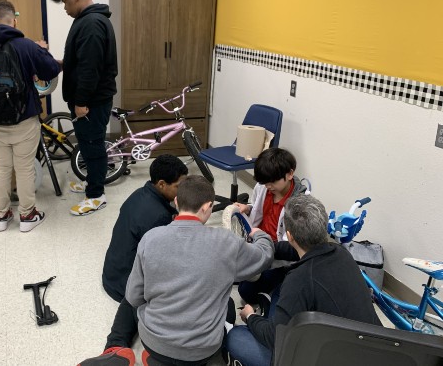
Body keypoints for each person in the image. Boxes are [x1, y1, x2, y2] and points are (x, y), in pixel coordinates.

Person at [125, 175, 274, 366]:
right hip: (201, 351)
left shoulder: (150, 238)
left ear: (177, 202)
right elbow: (264, 257)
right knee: (227, 305)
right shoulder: (226, 242)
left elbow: (133, 297)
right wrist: (261, 236)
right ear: (207, 206)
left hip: (154, 342)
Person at [225, 194, 382, 366]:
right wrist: (265, 246)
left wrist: (251, 317)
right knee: (281, 290)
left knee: (236, 337)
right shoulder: (341, 253)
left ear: (290, 236)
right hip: (373, 348)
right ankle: (271, 316)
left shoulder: (300, 279)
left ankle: (264, 318)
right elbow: (293, 250)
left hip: (330, 358)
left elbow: (274, 338)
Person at [78, 155, 188, 366]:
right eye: (178, 186)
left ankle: (115, 349)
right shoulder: (158, 217)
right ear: (161, 184)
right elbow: (161, 264)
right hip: (125, 282)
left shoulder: (140, 194)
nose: (182, 192)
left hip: (113, 271)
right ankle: (149, 349)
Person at [0, 0, 61, 233]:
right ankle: (28, 216)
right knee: (25, 167)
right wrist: (41, 50)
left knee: (1, 166)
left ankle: (1, 216)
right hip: (23, 119)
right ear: (14, 20)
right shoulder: (26, 46)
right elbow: (50, 69)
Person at [48, 0, 118, 216]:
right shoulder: (88, 20)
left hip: (91, 101)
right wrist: (62, 64)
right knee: (89, 145)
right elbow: (83, 60)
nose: (65, 9)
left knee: (92, 145)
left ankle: (96, 196)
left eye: (66, 2)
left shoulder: (91, 24)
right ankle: (92, 184)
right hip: (91, 99)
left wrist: (80, 102)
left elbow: (90, 69)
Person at [229, 147, 308, 314]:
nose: (268, 186)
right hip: (258, 243)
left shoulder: (301, 203)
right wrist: (247, 208)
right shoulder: (264, 187)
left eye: (272, 182)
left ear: (290, 174)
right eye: (265, 182)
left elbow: (294, 248)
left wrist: (266, 247)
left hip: (279, 255)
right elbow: (257, 207)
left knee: (246, 291)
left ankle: (275, 290)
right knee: (233, 274)